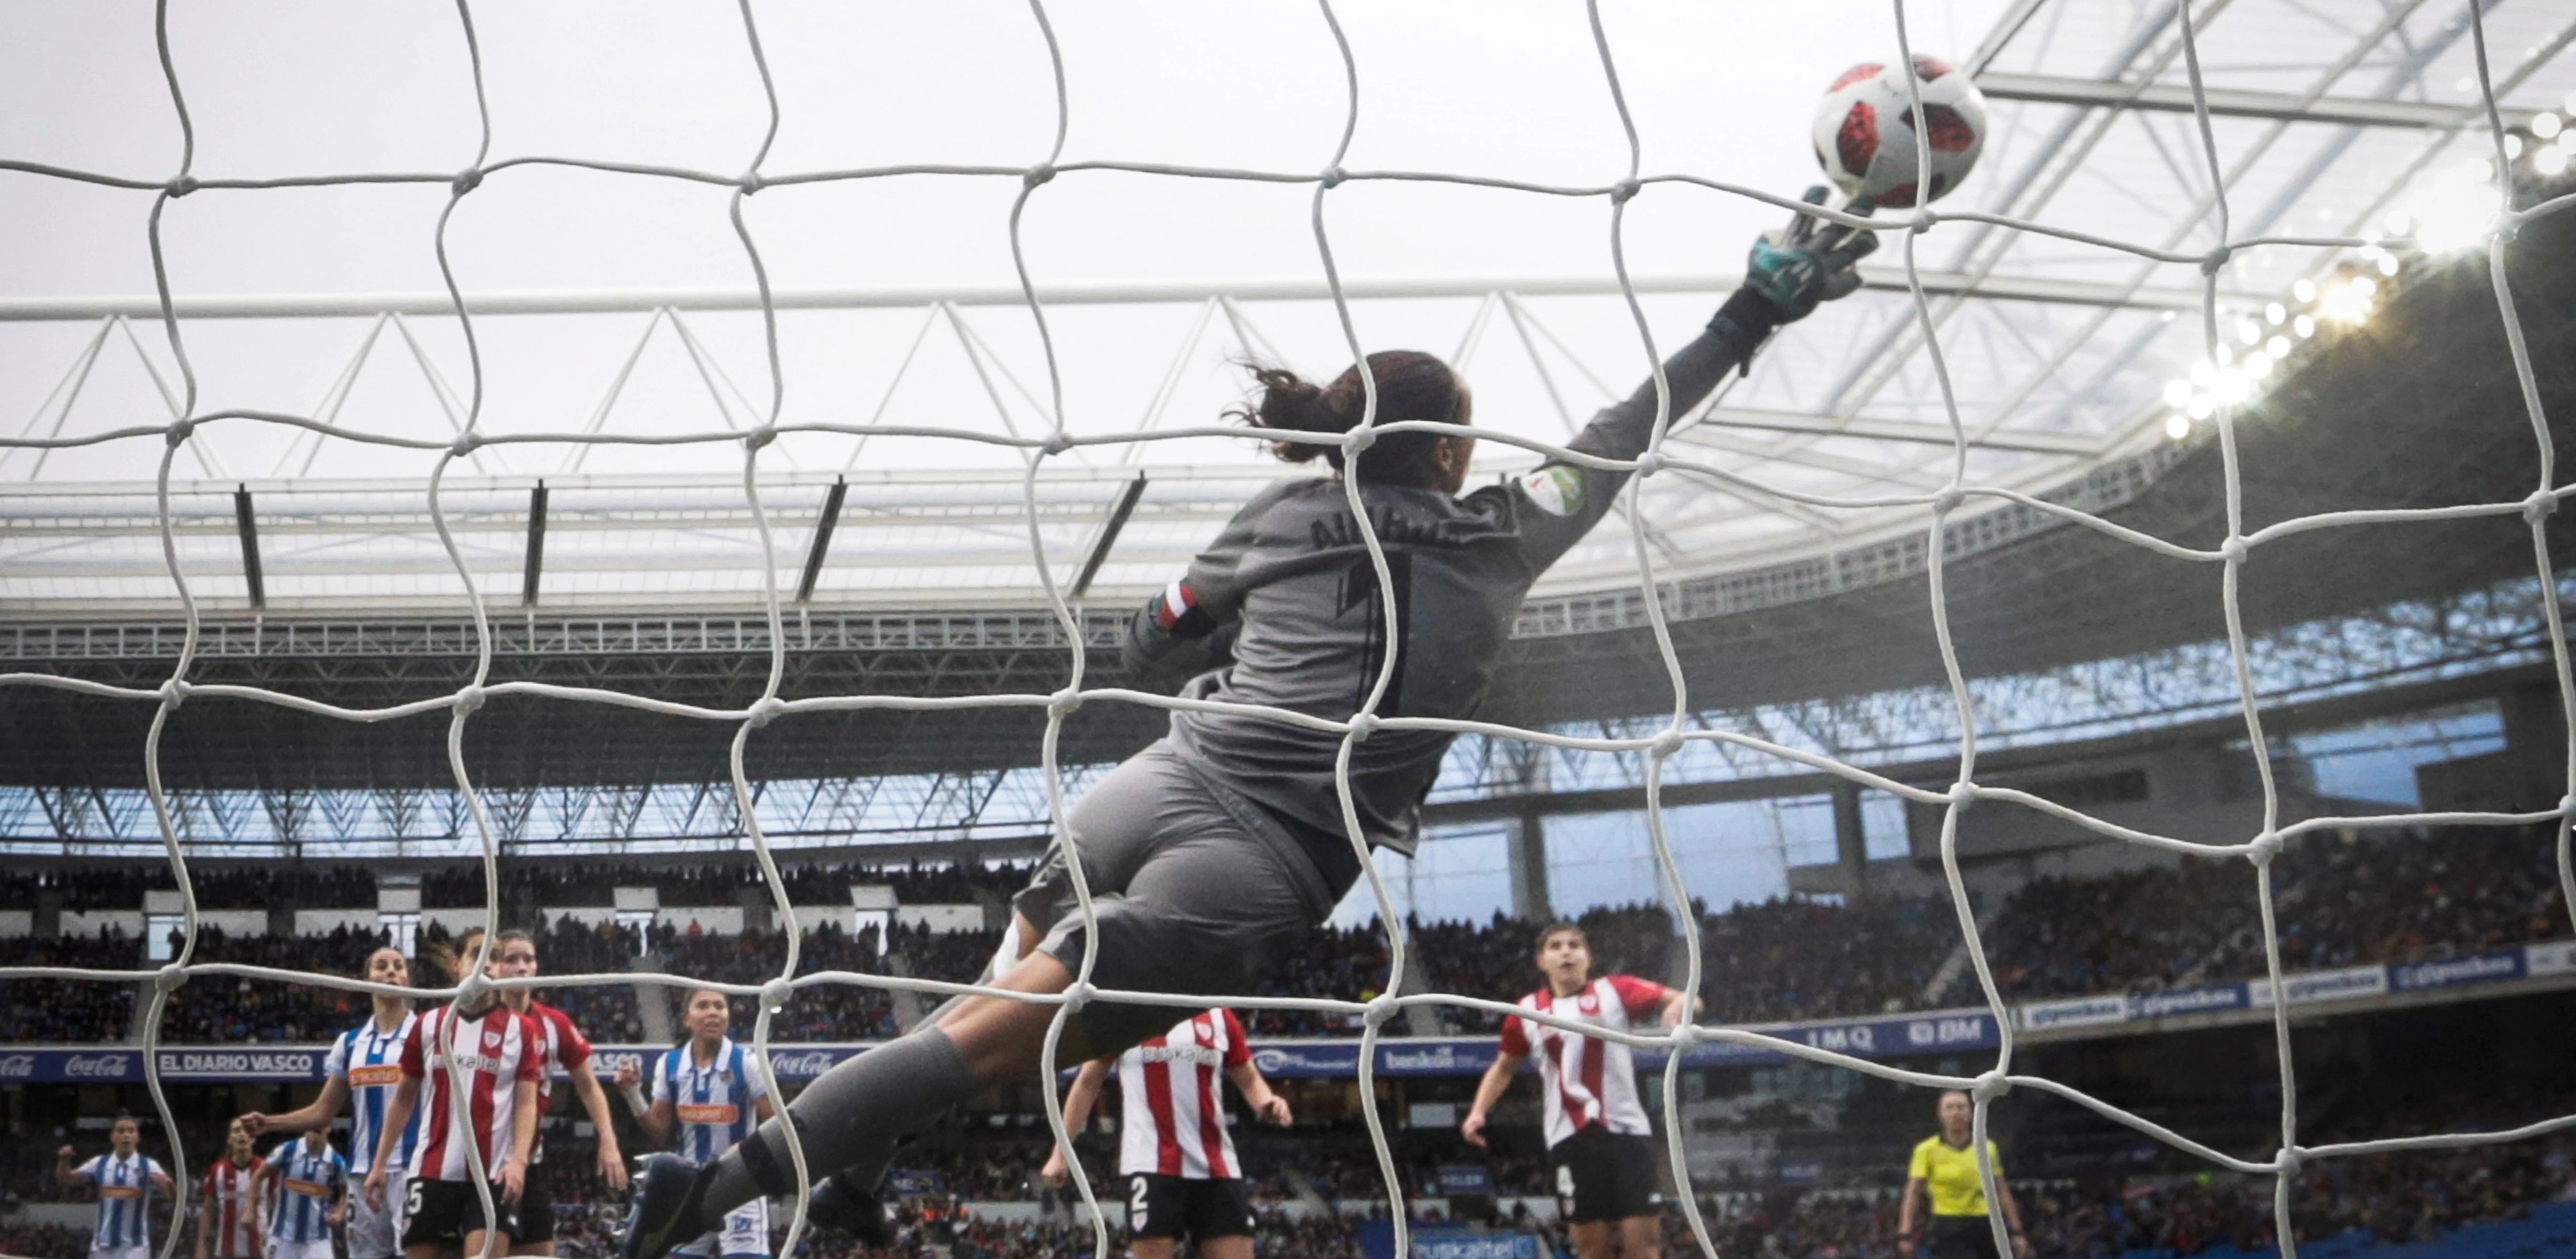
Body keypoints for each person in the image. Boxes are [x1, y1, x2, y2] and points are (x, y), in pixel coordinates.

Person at [621, 192, 1880, 1259]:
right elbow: (1631, 426)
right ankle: (711, 1192)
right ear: (1450, 451)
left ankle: (854, 1169)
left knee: (982, 1002)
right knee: (997, 1040)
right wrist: (1752, 310)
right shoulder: (1508, 526)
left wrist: (1222, 631)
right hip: (1256, 855)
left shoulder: (1280, 520)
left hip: (1148, 787)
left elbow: (1154, 637)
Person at [1461, 923, 1694, 1259]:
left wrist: (1677, 1006)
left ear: (1589, 958)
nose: (1566, 952)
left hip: (1627, 1131)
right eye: (1556, 946)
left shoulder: (1615, 991)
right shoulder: (1526, 1012)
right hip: (1570, 1139)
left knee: (1643, 1249)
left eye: (1574, 945)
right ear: (1542, 961)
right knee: (1592, 1251)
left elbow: (1688, 998)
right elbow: (1504, 1067)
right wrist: (1478, 1112)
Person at [1039, 1008, 1290, 1259]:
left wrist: (1268, 1103)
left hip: (1217, 1164)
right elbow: (1087, 1082)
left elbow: (1248, 1078)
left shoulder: (1220, 1017)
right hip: (1150, 1163)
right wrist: (1060, 1154)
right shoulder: (1125, 1013)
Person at [363, 932, 545, 1259]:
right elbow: (403, 1100)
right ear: (456, 964)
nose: (488, 964)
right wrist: (379, 1164)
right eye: (479, 954)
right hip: (431, 1172)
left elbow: (526, 1102)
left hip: (492, 1176)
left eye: (496, 956)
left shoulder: (522, 1030)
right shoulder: (429, 1024)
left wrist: (519, 1161)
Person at [454, 928, 630, 1256]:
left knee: (539, 1253)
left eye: (529, 959)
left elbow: (589, 1085)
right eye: (511, 960)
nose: (521, 967)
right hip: (475, 1162)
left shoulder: (554, 1024)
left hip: (528, 1161)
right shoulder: (470, 1021)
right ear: (494, 966)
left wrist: (608, 1140)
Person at [242, 946, 419, 1259]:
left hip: (411, 1169)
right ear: (367, 980)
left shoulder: (426, 1033)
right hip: (361, 1173)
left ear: (408, 980)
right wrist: (270, 1123)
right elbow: (323, 1111)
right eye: (381, 966)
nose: (391, 971)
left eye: (398, 966)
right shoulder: (350, 1043)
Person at [611, 988, 779, 1259]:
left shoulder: (748, 1062)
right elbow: (659, 1135)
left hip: (741, 1185)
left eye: (719, 1006)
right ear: (687, 1019)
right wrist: (632, 1095)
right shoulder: (670, 1064)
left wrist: (750, 1154)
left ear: (728, 1017)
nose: (713, 1012)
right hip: (689, 1189)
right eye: (703, 1006)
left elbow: (775, 1123)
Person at [1897, 1091, 2028, 1259]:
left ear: (1971, 1112)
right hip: (1948, 1225)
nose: (1956, 1112)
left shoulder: (1988, 1148)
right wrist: (1905, 1233)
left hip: (1987, 1224)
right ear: (1940, 1113)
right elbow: (1913, 1193)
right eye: (1950, 1108)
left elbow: (2001, 1190)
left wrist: (2018, 1231)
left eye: (1961, 1107)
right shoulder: (1926, 1150)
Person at [57, 1115, 176, 1259]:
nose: (126, 1135)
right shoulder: (99, 1163)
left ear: (138, 1137)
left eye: (131, 1131)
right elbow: (66, 1179)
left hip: (134, 1247)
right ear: (113, 1136)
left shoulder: (149, 1165)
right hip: (102, 1245)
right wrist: (64, 1160)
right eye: (121, 1131)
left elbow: (172, 1196)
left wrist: (169, 1185)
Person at [258, 1126, 348, 1259]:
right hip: (282, 1236)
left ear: (328, 1128)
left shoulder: (336, 1161)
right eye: (313, 1125)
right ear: (305, 1128)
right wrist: (250, 1208)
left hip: (318, 1239)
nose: (316, 1130)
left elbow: (346, 1191)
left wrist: (340, 1213)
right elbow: (258, 1175)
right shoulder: (287, 1150)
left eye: (320, 1126)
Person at [196, 1121, 267, 1259]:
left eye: (247, 1132)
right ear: (229, 1139)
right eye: (237, 1131)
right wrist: (201, 1248)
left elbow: (278, 1203)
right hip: (226, 1252)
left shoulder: (267, 1169)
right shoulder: (217, 1170)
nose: (242, 1135)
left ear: (254, 1138)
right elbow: (207, 1211)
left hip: (260, 1252)